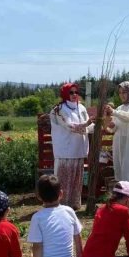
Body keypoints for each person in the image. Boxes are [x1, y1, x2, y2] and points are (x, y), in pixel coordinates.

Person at [49, 82, 94, 210]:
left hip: (79, 148)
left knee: (76, 178)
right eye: (71, 92)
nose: (74, 95)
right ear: (65, 94)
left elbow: (90, 128)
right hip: (65, 150)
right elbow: (69, 127)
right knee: (63, 178)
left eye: (76, 92)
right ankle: (60, 205)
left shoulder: (82, 108)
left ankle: (74, 204)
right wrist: (87, 124)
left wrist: (91, 124)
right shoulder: (58, 110)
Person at [27, 175, 83, 257]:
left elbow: (37, 247)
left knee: (31, 256)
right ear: (61, 194)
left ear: (38, 196)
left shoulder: (37, 218)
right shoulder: (69, 211)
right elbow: (78, 240)